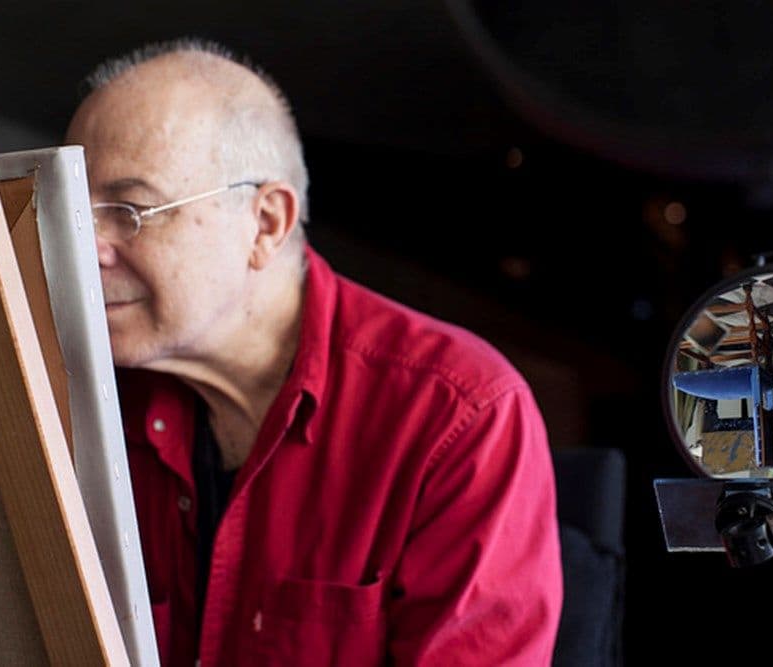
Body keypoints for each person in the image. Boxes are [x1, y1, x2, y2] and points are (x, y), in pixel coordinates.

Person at [66, 39, 562, 666]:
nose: (86, 248)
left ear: (266, 222)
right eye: (74, 211)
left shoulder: (459, 414)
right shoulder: (73, 391)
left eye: (129, 211)